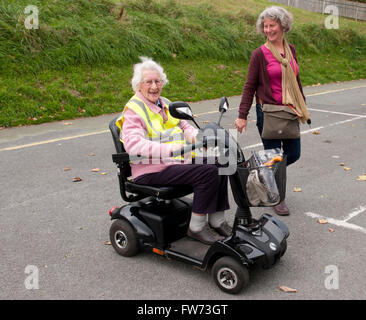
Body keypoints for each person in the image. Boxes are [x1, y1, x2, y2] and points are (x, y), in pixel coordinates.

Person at [116, 57, 232, 244]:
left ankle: (217, 221)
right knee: (207, 172)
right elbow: (133, 144)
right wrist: (169, 149)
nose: (154, 86)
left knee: (221, 162)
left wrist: (199, 139)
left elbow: (186, 127)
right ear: (139, 85)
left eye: (157, 81)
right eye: (149, 82)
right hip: (151, 170)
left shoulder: (166, 104)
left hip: (175, 164)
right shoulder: (134, 109)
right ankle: (196, 227)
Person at [235, 6, 310, 216]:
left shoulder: (291, 50)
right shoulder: (259, 54)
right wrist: (242, 115)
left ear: (283, 25)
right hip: (268, 112)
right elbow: (249, 86)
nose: (268, 30)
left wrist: (301, 104)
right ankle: (278, 198)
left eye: (272, 25)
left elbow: (296, 79)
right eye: (265, 26)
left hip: (290, 111)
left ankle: (261, 168)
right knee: (275, 155)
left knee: (293, 154)